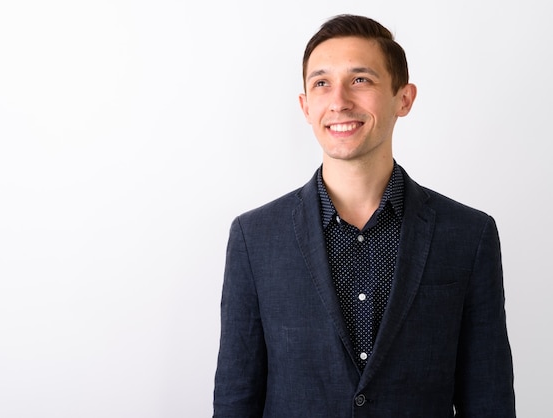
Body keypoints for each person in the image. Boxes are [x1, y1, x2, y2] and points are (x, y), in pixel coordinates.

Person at [213, 14, 515, 418]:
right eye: (321, 83)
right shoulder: (255, 238)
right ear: (305, 106)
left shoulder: (468, 235)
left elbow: (489, 398)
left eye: (360, 80)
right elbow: (236, 398)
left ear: (403, 98)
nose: (339, 101)